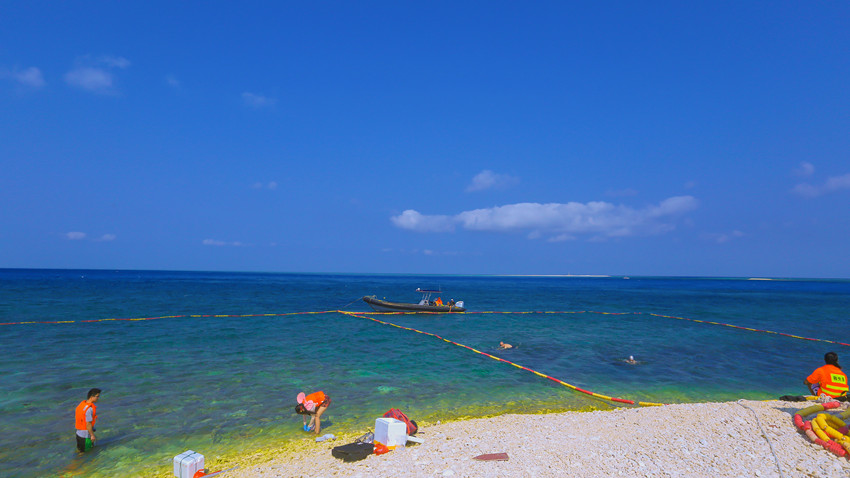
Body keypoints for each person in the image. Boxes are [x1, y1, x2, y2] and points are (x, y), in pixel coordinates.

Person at [75, 388, 101, 453]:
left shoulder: (81, 405)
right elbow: (88, 424)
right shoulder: (89, 409)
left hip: (78, 434)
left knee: (80, 451)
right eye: (97, 396)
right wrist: (92, 435)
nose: (98, 398)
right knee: (87, 453)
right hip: (85, 436)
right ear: (92, 397)